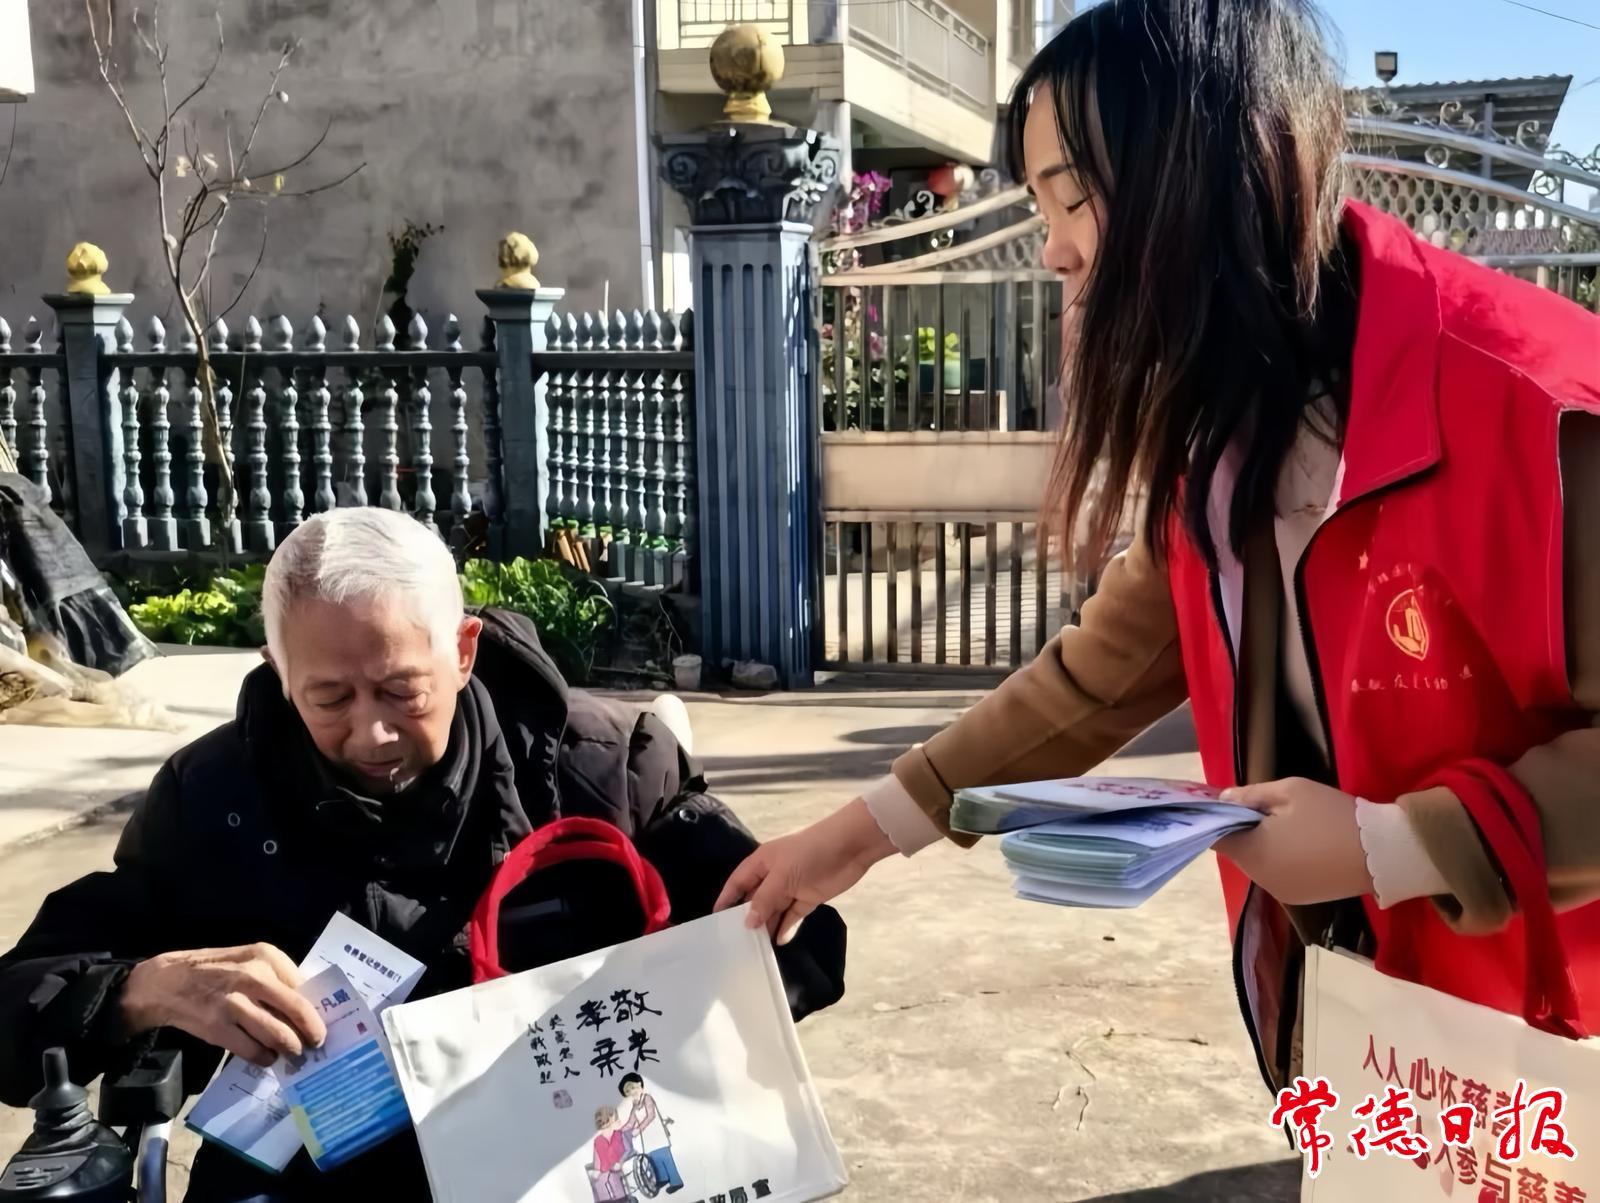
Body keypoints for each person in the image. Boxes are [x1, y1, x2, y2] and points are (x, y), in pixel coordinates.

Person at [719, 0, 1600, 1096]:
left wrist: (1394, 845)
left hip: (1558, 1041)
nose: (1052, 251)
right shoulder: (1231, 430)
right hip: (1384, 1038)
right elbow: (1095, 677)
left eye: (1069, 198)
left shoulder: (1538, 407)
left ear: (1199, 176)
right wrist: (852, 838)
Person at [0, 507, 846, 1202]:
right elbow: (17, 1004)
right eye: (328, 697)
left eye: (401, 690)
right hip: (325, 1169)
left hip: (574, 1157)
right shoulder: (213, 799)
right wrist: (146, 988)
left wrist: (681, 988)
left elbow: (804, 943)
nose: (370, 731)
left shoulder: (606, 769)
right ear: (278, 670)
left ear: (464, 649)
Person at [619, 1072, 682, 1194]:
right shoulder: (634, 1106)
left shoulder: (647, 1098)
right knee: (654, 1158)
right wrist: (620, 1131)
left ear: (639, 1085)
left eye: (632, 1087)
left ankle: (676, 1182)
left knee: (665, 1157)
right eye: (628, 1091)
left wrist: (639, 1129)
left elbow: (651, 1115)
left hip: (657, 1132)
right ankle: (663, 1178)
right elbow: (631, 1122)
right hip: (648, 1138)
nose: (631, 1092)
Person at [589, 1106, 628, 1202]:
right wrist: (597, 1172)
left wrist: (621, 1162)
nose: (619, 1121)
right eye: (616, 1119)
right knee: (600, 1182)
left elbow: (627, 1150)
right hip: (605, 1173)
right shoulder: (598, 1141)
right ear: (607, 1123)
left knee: (614, 1180)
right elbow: (597, 1159)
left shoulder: (619, 1134)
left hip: (618, 1170)